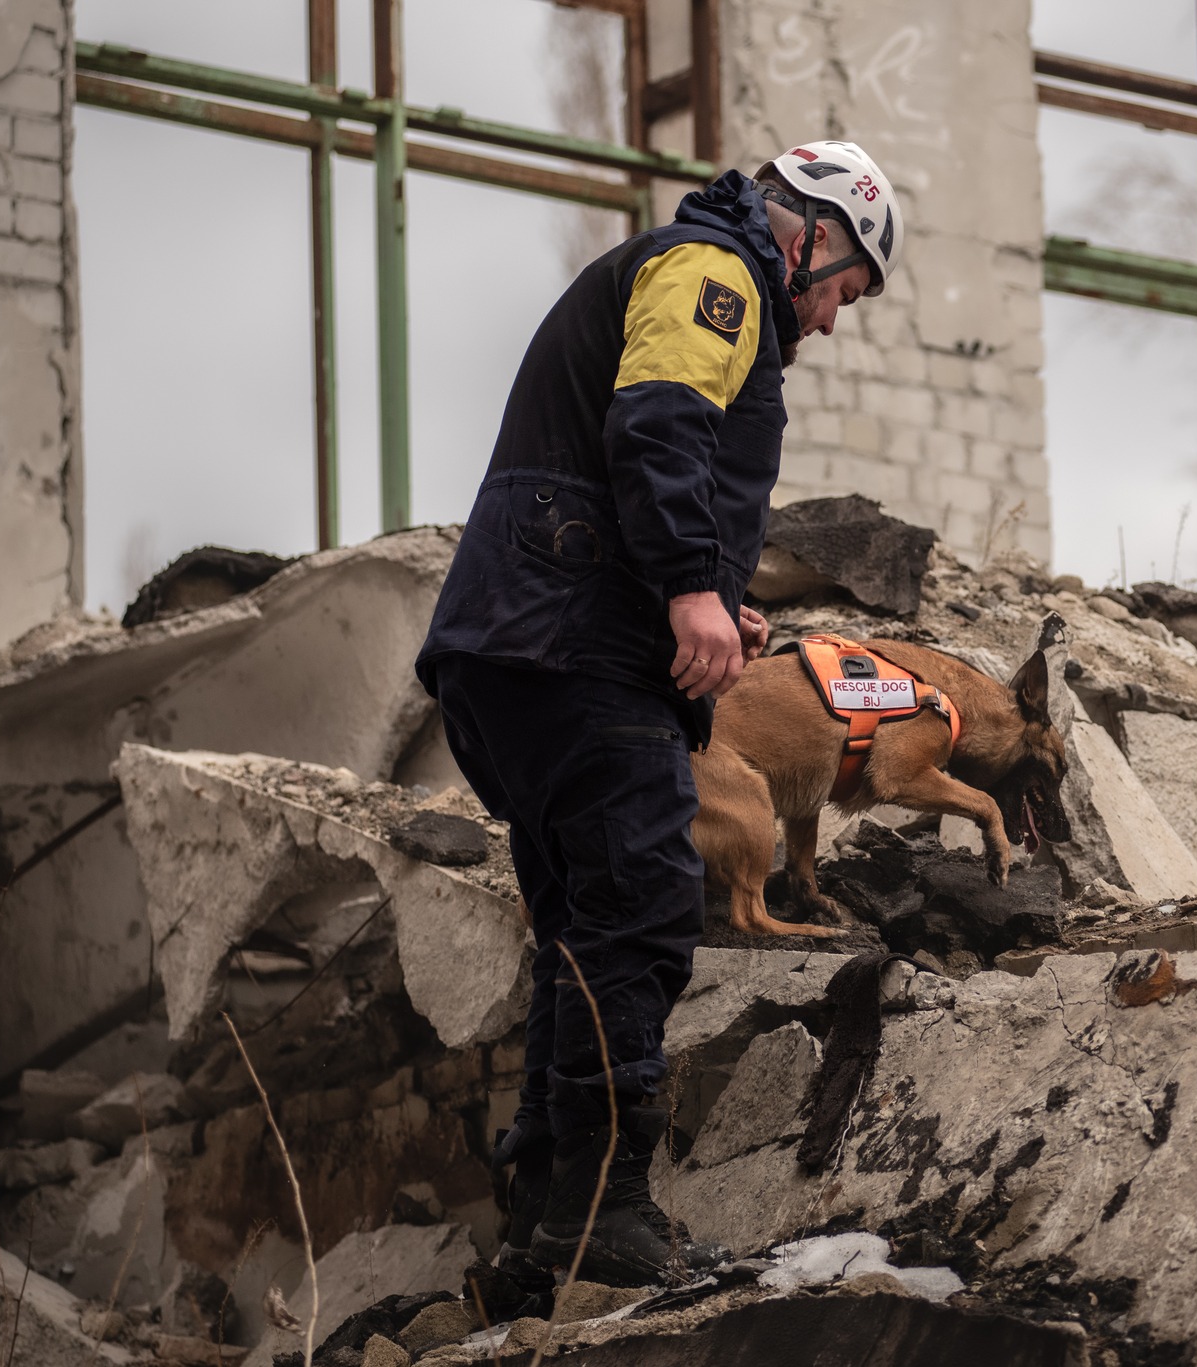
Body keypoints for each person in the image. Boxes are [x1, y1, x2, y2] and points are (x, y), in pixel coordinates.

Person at [415, 141, 904, 1287]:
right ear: (811, 237)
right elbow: (658, 420)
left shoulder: (688, 269)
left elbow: (628, 446)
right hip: (566, 641)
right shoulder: (713, 272)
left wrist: (714, 598)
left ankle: (546, 1227)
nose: (830, 320)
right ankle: (607, 1208)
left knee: (583, 925)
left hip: (522, 638)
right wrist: (689, 584)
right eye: (841, 291)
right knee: (639, 900)